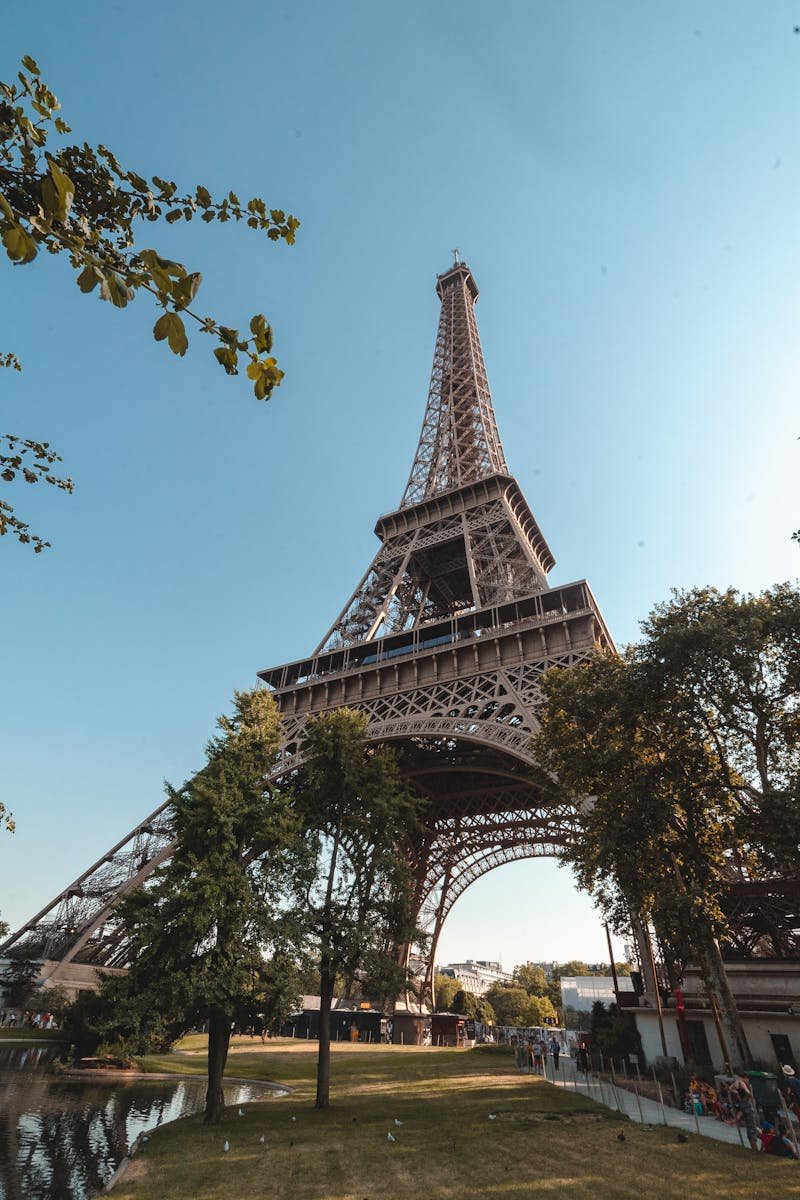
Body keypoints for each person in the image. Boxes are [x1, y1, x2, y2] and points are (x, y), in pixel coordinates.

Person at [729, 1076, 759, 1151]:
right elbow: (748, 1093)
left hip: (743, 1102)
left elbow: (731, 1088)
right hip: (747, 1104)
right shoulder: (742, 1083)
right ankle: (755, 1149)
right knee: (752, 1130)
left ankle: (755, 1149)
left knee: (752, 1131)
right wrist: (749, 1094)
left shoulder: (737, 1084)